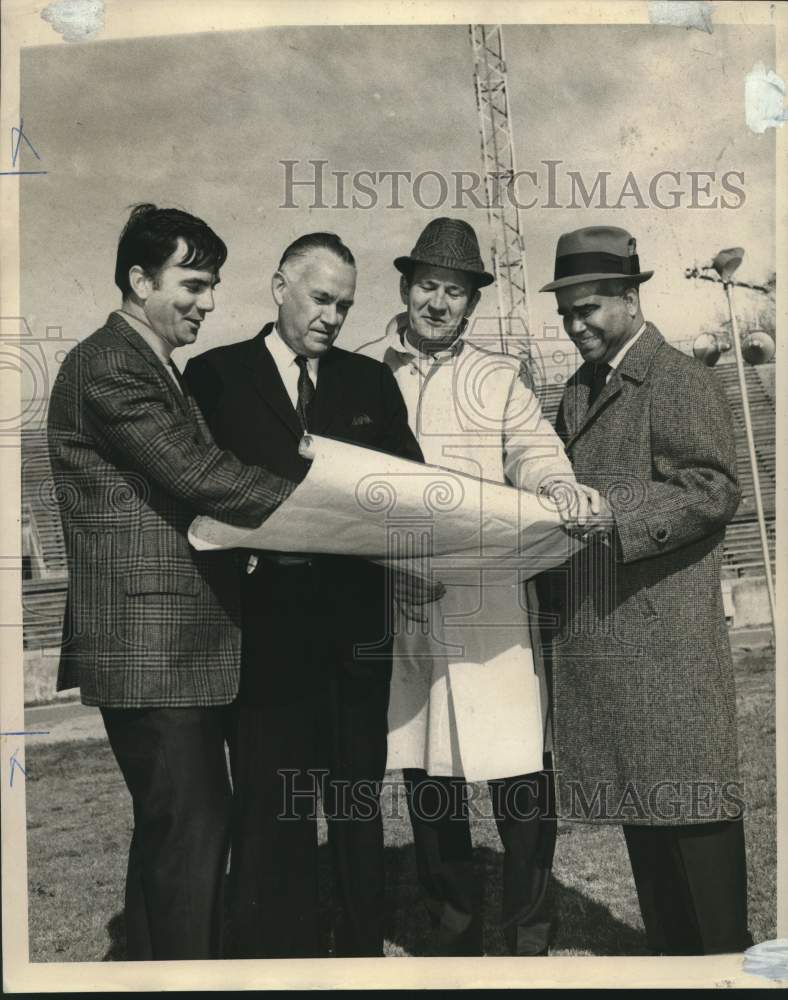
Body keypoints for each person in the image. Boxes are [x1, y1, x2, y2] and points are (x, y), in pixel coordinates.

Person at [46, 204, 296, 960]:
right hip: (151, 651)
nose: (208, 301)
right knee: (192, 834)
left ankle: (152, 970)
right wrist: (322, 505)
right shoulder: (111, 365)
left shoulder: (155, 367)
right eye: (192, 282)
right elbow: (197, 474)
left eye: (214, 284)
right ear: (137, 278)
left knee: (176, 834)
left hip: (177, 651)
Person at [359, 217, 597, 955]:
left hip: (491, 598)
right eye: (428, 285)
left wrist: (558, 486)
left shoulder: (497, 375)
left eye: (454, 292)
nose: (438, 303)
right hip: (400, 598)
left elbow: (533, 450)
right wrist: (383, 565)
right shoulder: (362, 369)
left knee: (519, 770)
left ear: (471, 305)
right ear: (405, 286)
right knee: (430, 773)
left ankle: (530, 930)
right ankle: (453, 922)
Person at [183, 232, 422, 958]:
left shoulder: (369, 383)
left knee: (355, 804)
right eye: (321, 299)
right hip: (263, 634)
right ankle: (278, 953)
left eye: (345, 306)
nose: (332, 317)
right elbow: (194, 491)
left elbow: (408, 485)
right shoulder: (214, 375)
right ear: (279, 284)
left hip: (355, 631)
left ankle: (359, 948)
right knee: (271, 805)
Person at [537, 224, 752, 955]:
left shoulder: (677, 378)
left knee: (698, 848)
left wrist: (614, 514)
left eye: (590, 306)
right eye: (567, 311)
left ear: (630, 298)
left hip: (669, 651)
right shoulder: (577, 391)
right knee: (654, 855)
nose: (576, 324)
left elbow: (713, 487)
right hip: (616, 651)